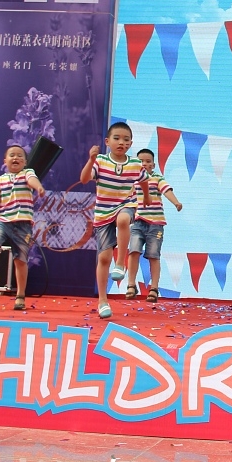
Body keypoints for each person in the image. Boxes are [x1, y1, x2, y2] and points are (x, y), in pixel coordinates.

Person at [82, 123, 150, 319]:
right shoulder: (101, 161)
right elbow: (84, 179)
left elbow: (144, 180)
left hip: (126, 204)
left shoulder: (134, 163)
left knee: (123, 220)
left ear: (131, 144)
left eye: (126, 140)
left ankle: (120, 263)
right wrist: (91, 160)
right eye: (117, 138)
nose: (121, 142)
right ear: (107, 141)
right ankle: (102, 301)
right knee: (103, 258)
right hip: (103, 213)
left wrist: (146, 197)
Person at [0, 145, 44, 311]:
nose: (16, 158)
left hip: (23, 224)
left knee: (20, 260)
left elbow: (32, 180)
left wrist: (38, 187)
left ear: (25, 162)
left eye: (20, 156)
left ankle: (20, 296)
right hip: (3, 221)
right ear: (5, 161)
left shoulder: (27, 173)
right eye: (12, 155)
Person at [125, 147, 182, 304]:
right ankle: (131, 285)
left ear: (153, 165)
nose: (144, 164)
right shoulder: (133, 179)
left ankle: (154, 288)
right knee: (133, 251)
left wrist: (176, 202)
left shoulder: (157, 178)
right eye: (141, 161)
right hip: (137, 222)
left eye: (148, 161)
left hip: (155, 224)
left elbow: (166, 190)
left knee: (153, 255)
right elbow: (125, 196)